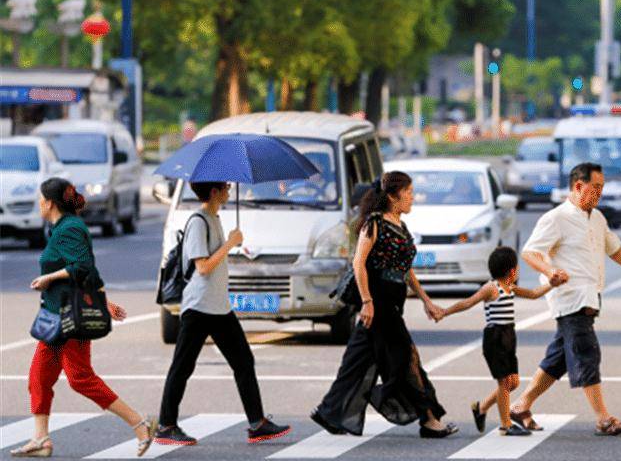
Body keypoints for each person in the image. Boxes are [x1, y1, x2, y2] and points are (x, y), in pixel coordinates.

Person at [509, 163, 621, 436]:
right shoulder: (555, 218)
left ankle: (520, 406)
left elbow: (615, 250)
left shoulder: (597, 218)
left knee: (556, 360)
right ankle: (603, 418)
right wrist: (550, 270)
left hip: (590, 298)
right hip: (570, 300)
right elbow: (530, 252)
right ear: (579, 186)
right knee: (587, 353)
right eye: (596, 187)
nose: (600, 193)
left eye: (602, 187)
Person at [12, 178, 156, 458]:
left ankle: (139, 423)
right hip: (56, 318)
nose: (38, 203)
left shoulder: (70, 228)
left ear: (50, 202)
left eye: (41, 199)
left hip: (70, 319)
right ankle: (41, 439)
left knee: (80, 378)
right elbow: (91, 273)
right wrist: (105, 302)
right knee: (39, 377)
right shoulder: (59, 228)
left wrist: (48, 278)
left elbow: (83, 267)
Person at [311, 172, 458, 438]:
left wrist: (426, 300)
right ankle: (428, 418)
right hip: (378, 301)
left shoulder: (400, 225)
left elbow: (405, 270)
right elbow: (359, 263)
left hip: (392, 301)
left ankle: (330, 412)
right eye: (409, 192)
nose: (414, 197)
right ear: (392, 196)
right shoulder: (374, 224)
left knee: (357, 359)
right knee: (406, 357)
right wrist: (367, 302)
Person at [155, 181, 290, 445]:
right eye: (226, 187)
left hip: (219, 307)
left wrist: (232, 243)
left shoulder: (214, 218)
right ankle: (166, 425)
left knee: (244, 362)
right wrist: (230, 243)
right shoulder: (199, 221)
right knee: (182, 367)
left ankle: (257, 423)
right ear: (214, 192)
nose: (230, 191)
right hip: (199, 307)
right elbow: (202, 267)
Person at [434, 246, 559, 436]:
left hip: (509, 336)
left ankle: (481, 407)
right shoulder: (491, 288)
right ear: (511, 270)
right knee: (504, 383)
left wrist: (553, 284)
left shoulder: (510, 287)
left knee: (513, 382)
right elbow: (468, 302)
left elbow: (533, 294)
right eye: (516, 268)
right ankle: (505, 425)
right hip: (495, 338)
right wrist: (444, 312)